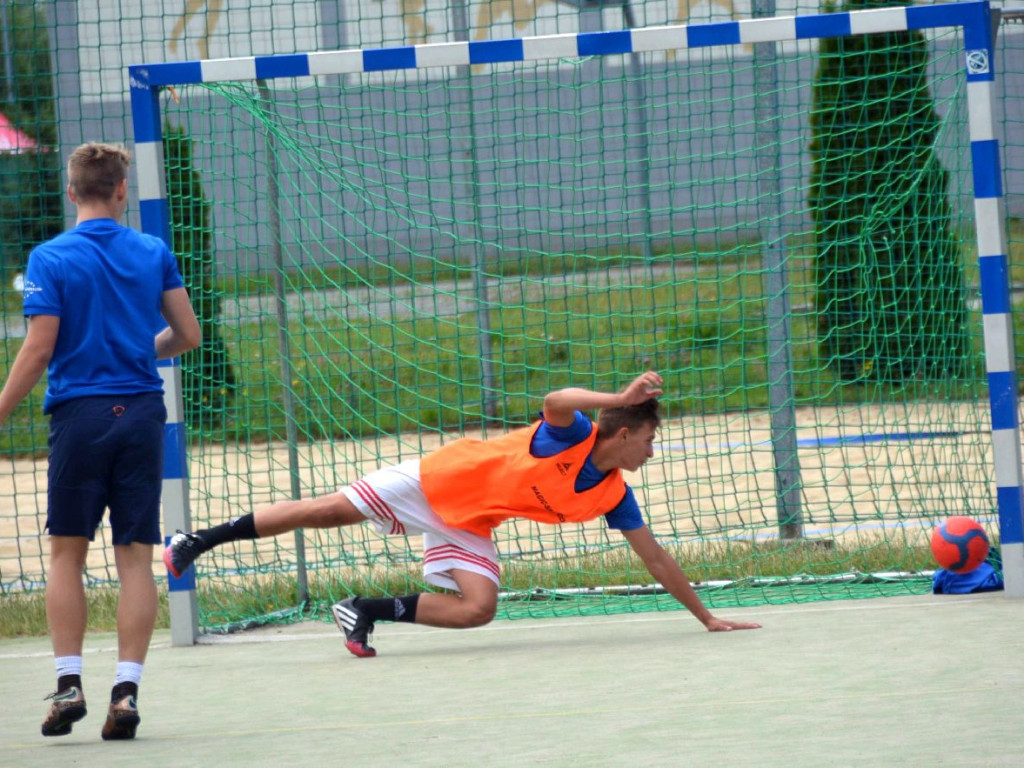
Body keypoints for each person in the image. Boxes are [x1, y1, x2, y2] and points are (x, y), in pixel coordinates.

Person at [165, 371, 761, 656]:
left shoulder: (612, 493)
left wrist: (706, 617)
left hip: (470, 520)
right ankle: (196, 540)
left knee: (479, 610)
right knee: (323, 512)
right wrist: (618, 397)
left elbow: (653, 555)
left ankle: (363, 610)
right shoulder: (571, 434)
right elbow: (554, 399)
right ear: (625, 431)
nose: (653, 452)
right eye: (650, 440)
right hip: (432, 482)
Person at [0, 143, 201, 739]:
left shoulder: (50, 257)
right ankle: (126, 693)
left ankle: (68, 685)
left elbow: (39, 350)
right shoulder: (151, 250)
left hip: (79, 418)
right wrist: (142, 349)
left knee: (67, 552)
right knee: (135, 556)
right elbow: (187, 334)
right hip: (141, 413)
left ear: (71, 193)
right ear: (121, 190)